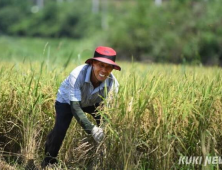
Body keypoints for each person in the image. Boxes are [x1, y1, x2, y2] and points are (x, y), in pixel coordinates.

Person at [41, 46, 121, 168]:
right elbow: (75, 107)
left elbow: (108, 111)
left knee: (106, 131)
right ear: (93, 63)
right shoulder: (77, 74)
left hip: (94, 103)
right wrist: (92, 129)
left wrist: (104, 128)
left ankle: (99, 162)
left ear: (112, 69)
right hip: (68, 102)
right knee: (60, 129)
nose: (104, 70)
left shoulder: (113, 83)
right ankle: (48, 162)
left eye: (108, 67)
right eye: (100, 65)